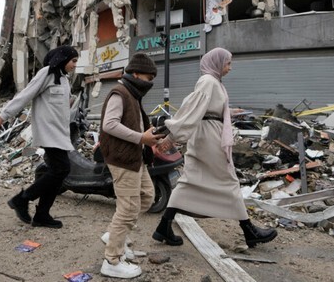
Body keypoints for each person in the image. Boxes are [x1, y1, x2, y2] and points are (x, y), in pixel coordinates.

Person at [152, 48, 277, 248]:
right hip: (209, 136)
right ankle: (248, 230)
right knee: (228, 179)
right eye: (227, 63)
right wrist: (172, 137)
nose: (229, 67)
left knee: (190, 179)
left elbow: (208, 108)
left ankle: (163, 226)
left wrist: (230, 111)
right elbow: (192, 109)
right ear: (217, 63)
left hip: (207, 133)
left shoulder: (213, 82)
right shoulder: (208, 81)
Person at [0, 46, 79, 229]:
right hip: (48, 132)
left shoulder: (64, 79)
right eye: (73, 61)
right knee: (61, 169)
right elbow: (25, 95)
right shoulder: (47, 73)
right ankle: (22, 199)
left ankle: (42, 215)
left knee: (57, 174)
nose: (75, 65)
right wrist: (2, 116)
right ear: (63, 58)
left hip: (60, 133)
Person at [98, 53, 164, 279]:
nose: (150, 82)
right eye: (148, 77)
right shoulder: (120, 92)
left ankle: (114, 235)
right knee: (127, 208)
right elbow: (109, 124)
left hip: (137, 157)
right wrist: (140, 138)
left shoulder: (133, 94)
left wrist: (149, 140)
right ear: (135, 74)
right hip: (122, 158)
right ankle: (112, 260)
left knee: (146, 196)